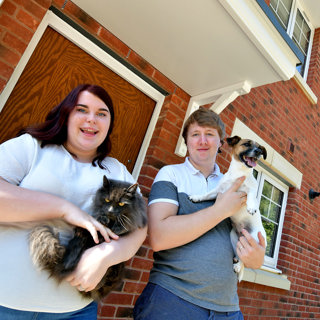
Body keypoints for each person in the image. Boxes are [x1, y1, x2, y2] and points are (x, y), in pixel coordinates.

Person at [0, 84, 147, 320]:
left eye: (102, 113)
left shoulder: (117, 170)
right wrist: (64, 209)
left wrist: (107, 254)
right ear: (66, 114)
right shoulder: (31, 146)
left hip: (75, 310)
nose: (92, 119)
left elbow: (140, 226)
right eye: (82, 110)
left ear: (109, 124)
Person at [133, 107, 266, 320]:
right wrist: (220, 210)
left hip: (228, 308)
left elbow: (250, 239)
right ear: (187, 141)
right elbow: (159, 238)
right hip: (173, 302)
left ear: (221, 143)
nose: (203, 141)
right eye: (195, 134)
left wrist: (256, 259)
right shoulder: (172, 174)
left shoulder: (232, 182)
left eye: (210, 134)